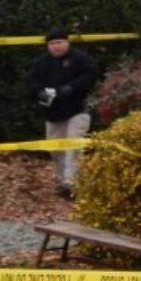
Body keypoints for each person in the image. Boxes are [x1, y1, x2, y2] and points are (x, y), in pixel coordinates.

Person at [28, 28, 97, 197]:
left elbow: (91, 75)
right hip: (53, 113)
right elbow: (32, 81)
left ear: (67, 42)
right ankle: (62, 182)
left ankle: (72, 184)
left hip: (77, 110)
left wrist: (72, 88)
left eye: (59, 42)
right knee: (56, 150)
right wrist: (39, 92)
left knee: (73, 147)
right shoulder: (42, 63)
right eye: (52, 43)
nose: (56, 47)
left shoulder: (80, 59)